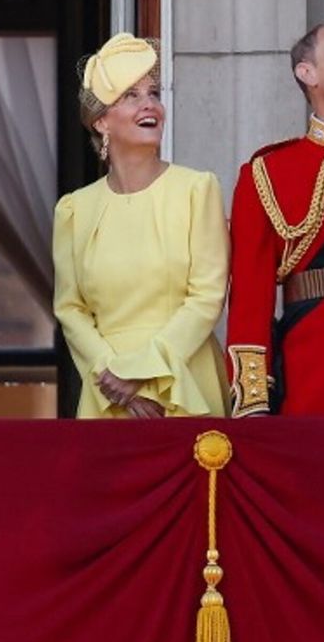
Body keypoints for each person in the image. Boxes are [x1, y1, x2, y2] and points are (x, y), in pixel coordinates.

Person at [52, 34, 229, 419]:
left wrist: (140, 371)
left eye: (153, 93)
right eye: (131, 95)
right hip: (107, 393)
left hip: (184, 379)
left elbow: (207, 297)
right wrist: (114, 380)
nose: (150, 104)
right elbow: (71, 310)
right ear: (101, 121)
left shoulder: (197, 189)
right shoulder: (74, 210)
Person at [227, 21, 324, 416]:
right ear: (307, 72)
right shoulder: (267, 171)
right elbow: (251, 295)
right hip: (312, 375)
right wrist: (253, 402)